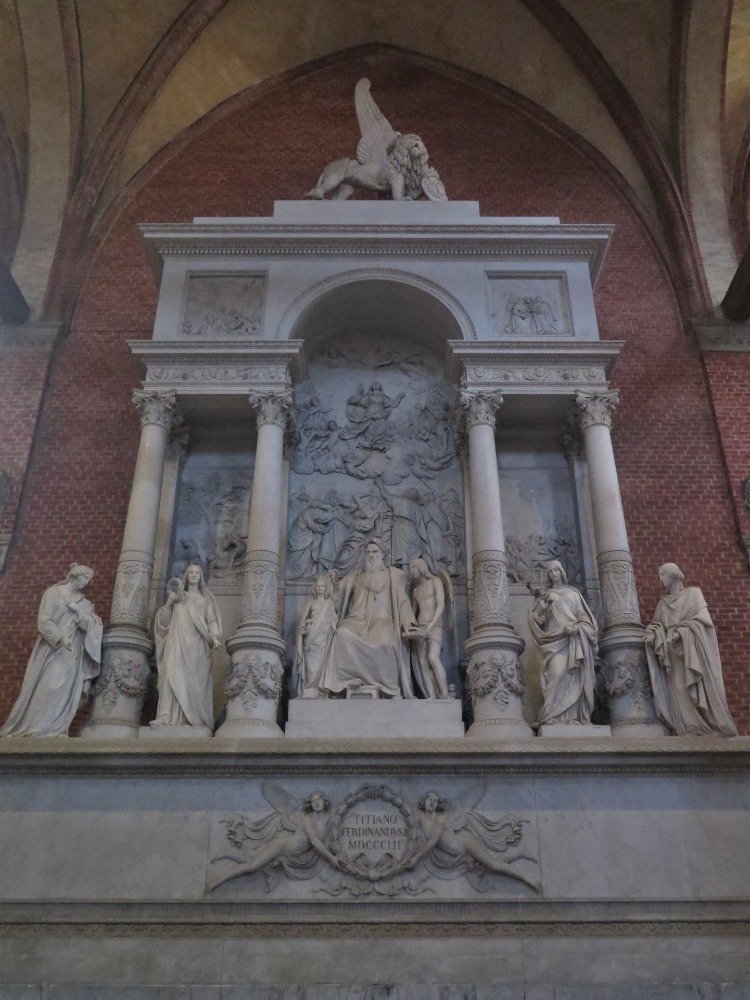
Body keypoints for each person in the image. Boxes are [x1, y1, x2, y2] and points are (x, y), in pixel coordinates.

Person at [1, 563, 102, 737]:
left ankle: (55, 728)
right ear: (75, 575)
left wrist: (79, 612)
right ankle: (36, 728)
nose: (86, 582)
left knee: (64, 691)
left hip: (73, 652)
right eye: (85, 578)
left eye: (89, 579)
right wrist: (60, 638)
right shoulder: (53, 593)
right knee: (48, 685)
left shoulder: (85, 603)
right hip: (53, 648)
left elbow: (92, 626)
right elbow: (44, 620)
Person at [644, 563, 737, 737]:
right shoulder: (662, 604)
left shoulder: (693, 594)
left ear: (673, 575)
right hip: (672, 654)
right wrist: (652, 633)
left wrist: (681, 632)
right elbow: (657, 626)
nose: (660, 579)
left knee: (696, 685)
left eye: (663, 575)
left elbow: (703, 621)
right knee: (678, 689)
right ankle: (690, 727)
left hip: (691, 649)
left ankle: (709, 725)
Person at [322, 538, 417, 698]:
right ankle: (349, 680)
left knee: (386, 642)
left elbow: (403, 602)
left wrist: (407, 622)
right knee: (342, 634)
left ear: (383, 555)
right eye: (368, 552)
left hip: (382, 621)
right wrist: (331, 581)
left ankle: (388, 688)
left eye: (375, 552)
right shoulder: (354, 577)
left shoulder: (393, 575)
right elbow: (336, 598)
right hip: (356, 620)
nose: (371, 555)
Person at [150, 564, 222, 729]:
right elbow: (163, 623)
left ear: (201, 576)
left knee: (194, 682)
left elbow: (211, 621)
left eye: (197, 572)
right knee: (170, 674)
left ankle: (191, 719)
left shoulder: (206, 599)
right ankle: (165, 716)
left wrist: (215, 636)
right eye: (191, 572)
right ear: (186, 576)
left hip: (197, 646)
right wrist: (169, 603)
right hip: (176, 641)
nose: (194, 574)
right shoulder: (178, 598)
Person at [528, 559, 598, 726]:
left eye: (556, 570)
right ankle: (549, 715)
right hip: (553, 640)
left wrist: (577, 629)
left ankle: (574, 717)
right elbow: (536, 620)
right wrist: (542, 608)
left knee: (574, 676)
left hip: (572, 639)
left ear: (562, 572)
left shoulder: (573, 594)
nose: (553, 574)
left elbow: (585, 619)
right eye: (550, 571)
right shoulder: (545, 595)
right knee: (557, 674)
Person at [407, 559, 450, 699]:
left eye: (412, 567)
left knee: (433, 657)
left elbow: (441, 604)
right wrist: (410, 627)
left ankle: (445, 694)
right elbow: (413, 612)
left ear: (420, 568)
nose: (411, 571)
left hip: (435, 625)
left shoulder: (435, 581)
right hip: (421, 627)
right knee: (422, 662)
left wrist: (432, 623)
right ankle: (431, 696)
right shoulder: (415, 591)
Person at [295, 575, 338, 698]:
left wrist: (330, 626)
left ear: (325, 588)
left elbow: (334, 619)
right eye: (318, 586)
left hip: (323, 636)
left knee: (321, 661)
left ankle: (319, 687)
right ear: (315, 588)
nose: (320, 588)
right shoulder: (311, 603)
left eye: (322, 586)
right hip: (311, 636)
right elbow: (303, 620)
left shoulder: (329, 603)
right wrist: (305, 626)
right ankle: (310, 686)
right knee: (311, 662)